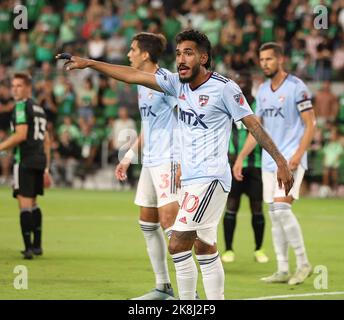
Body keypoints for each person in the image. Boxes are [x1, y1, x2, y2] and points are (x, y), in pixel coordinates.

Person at [57, 29, 294, 300]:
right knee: (205, 249)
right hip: (192, 180)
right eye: (179, 53)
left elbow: (253, 125)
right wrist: (90, 63)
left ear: (204, 57)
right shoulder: (175, 84)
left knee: (178, 243)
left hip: (211, 179)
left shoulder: (225, 88)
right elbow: (132, 75)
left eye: (189, 53)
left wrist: (281, 161)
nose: (181, 59)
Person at [233, 42, 316, 285]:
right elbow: (256, 129)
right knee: (274, 213)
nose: (264, 63)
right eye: (262, 59)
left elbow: (311, 124)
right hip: (269, 163)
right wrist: (240, 157)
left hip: (290, 159)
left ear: (280, 59)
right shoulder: (262, 91)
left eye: (269, 59)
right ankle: (282, 268)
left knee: (281, 209)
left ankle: (303, 263)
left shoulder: (297, 87)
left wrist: (299, 154)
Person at [114, 33, 180, 300]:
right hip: (150, 160)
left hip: (169, 160)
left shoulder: (166, 81)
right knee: (147, 223)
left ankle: (191, 292)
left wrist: (183, 160)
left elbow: (185, 117)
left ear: (145, 54)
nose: (129, 54)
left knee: (172, 226)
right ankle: (163, 286)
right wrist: (129, 156)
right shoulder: (141, 84)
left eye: (132, 50)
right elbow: (148, 126)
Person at [0, 73, 51, 259]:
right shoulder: (38, 108)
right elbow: (47, 139)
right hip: (39, 160)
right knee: (34, 203)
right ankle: (37, 246)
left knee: (24, 204)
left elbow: (20, 135)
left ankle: (28, 248)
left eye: (19, 85)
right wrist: (47, 167)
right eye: (13, 86)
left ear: (28, 87)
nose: (15, 89)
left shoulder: (21, 106)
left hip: (25, 159)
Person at [221, 72, 268, 264]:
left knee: (257, 207)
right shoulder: (228, 105)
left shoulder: (258, 106)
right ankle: (229, 250)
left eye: (244, 82)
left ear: (250, 84)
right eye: (238, 83)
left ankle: (259, 249)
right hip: (232, 165)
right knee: (231, 206)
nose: (241, 85)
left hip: (255, 165)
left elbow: (257, 133)